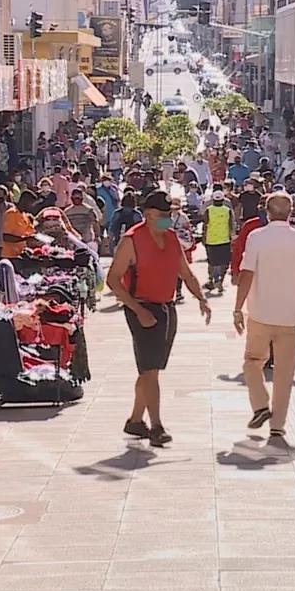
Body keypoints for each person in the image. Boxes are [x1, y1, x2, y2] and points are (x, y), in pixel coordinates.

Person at [106, 190, 211, 447]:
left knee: (150, 369)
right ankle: (157, 426)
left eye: (170, 215)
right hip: (141, 308)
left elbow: (185, 273)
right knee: (150, 370)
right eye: (164, 216)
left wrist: (201, 298)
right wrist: (138, 310)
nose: (168, 220)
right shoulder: (132, 241)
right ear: (149, 215)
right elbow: (112, 280)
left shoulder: (172, 238)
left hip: (166, 308)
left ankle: (134, 421)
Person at [233, 192, 295, 437]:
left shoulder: (256, 237)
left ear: (267, 212)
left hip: (260, 312)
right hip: (291, 315)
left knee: (252, 362)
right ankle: (277, 424)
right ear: (290, 211)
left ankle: (260, 403)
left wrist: (238, 307)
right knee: (285, 370)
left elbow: (247, 273)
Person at [203, 189, 234, 294]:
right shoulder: (227, 210)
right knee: (224, 262)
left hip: (211, 240)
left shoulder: (208, 210)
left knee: (212, 262)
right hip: (224, 239)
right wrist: (231, 237)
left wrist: (203, 237)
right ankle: (220, 281)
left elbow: (205, 225)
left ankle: (212, 280)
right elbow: (231, 225)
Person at [1, 188, 37, 259]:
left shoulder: (25, 216)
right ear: (25, 201)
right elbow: (5, 237)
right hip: (9, 256)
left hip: (20, 255)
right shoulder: (11, 214)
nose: (32, 206)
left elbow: (31, 233)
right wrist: (25, 238)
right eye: (31, 203)